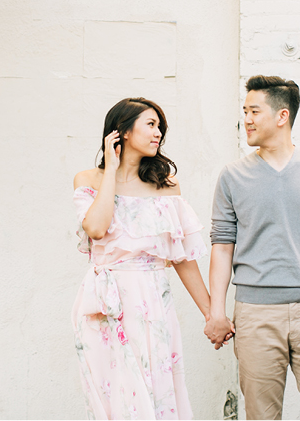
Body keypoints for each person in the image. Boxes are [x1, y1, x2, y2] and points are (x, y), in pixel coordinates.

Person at [204, 75, 300, 420]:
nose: (247, 119)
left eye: (254, 111)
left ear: (282, 116)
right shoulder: (232, 176)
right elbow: (222, 247)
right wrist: (216, 311)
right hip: (255, 315)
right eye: (245, 111)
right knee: (261, 416)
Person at [71, 97, 217, 420]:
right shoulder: (89, 180)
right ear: (121, 131)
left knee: (157, 393)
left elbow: (181, 258)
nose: (158, 134)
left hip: (152, 301)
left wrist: (211, 314)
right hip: (104, 304)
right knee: (115, 399)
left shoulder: (165, 186)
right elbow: (96, 228)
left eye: (159, 128)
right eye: (150, 125)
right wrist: (111, 169)